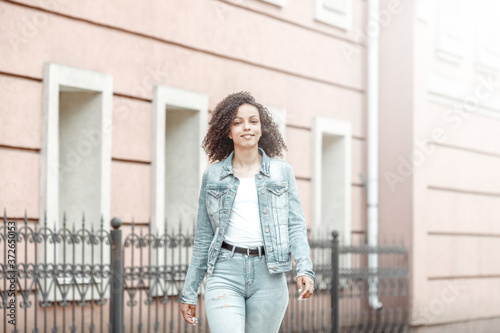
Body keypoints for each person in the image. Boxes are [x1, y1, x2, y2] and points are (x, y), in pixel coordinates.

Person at [180, 91, 314, 333]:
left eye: (253, 121)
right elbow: (203, 238)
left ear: (262, 129)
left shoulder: (281, 173)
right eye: (237, 122)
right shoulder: (213, 176)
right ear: (228, 131)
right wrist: (189, 291)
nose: (247, 127)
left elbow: (295, 225)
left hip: (269, 276)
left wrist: (304, 268)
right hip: (224, 272)